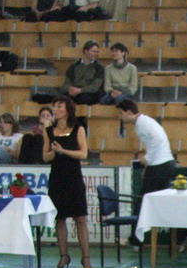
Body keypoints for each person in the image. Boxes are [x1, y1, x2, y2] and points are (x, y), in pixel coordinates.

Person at [43, 96, 93, 268]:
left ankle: (86, 258)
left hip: (73, 176)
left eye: (59, 106)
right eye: (54, 106)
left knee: (80, 218)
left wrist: (63, 151)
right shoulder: (49, 131)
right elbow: (45, 157)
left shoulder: (78, 128)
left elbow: (83, 153)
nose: (55, 109)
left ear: (67, 109)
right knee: (60, 218)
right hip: (57, 177)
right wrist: (54, 152)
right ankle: (63, 256)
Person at [116, 99, 175, 244]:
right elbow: (154, 143)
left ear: (129, 112)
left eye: (121, 113)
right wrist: (148, 165)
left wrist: (147, 159)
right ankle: (139, 237)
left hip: (160, 165)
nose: (120, 117)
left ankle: (137, 239)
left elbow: (158, 140)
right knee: (151, 202)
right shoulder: (142, 123)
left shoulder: (143, 123)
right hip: (161, 164)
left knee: (143, 202)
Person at [61, 40, 104, 106]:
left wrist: (80, 90)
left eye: (97, 52)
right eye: (94, 51)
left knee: (84, 99)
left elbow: (95, 87)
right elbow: (66, 83)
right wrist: (70, 89)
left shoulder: (99, 67)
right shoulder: (74, 65)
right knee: (62, 99)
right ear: (86, 51)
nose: (96, 54)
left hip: (89, 93)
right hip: (74, 91)